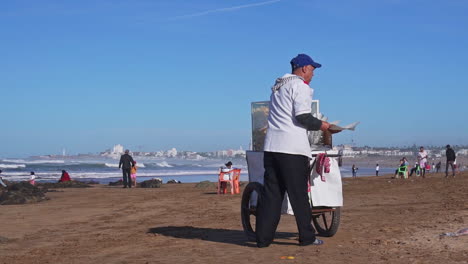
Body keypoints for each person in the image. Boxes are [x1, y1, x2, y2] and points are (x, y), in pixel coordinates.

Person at [256, 54, 339, 248]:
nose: (313, 74)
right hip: (292, 149)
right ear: (303, 68)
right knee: (299, 195)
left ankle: (263, 239)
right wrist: (325, 126)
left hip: (272, 148)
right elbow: (303, 117)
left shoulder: (278, 87)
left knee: (272, 195)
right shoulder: (300, 86)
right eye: (312, 69)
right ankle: (307, 237)